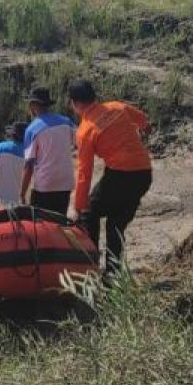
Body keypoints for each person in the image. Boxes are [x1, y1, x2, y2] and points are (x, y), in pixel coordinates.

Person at [68, 79, 153, 280]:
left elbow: (84, 173)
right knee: (116, 224)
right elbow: (142, 119)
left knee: (90, 212)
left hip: (121, 175)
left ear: (75, 103)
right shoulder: (116, 107)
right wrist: (144, 129)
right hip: (143, 174)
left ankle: (91, 266)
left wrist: (78, 207)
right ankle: (112, 274)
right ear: (94, 97)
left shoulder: (85, 130)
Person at [20, 86, 76, 215]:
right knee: (59, 221)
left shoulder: (32, 130)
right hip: (66, 182)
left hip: (45, 186)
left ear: (33, 105)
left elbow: (28, 166)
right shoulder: (67, 122)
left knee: (40, 225)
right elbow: (79, 143)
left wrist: (22, 193)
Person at [0, 121, 28, 204]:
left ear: (12, 135)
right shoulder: (28, 154)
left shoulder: (0, 147)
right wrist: (23, 198)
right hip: (14, 201)